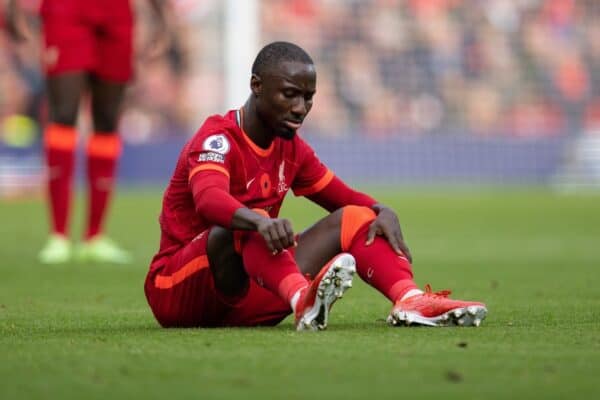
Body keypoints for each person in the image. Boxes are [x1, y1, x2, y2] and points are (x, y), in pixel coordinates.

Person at [144, 41, 487, 330]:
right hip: (178, 290)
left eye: (308, 97)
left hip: (250, 294)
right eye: (290, 95)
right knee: (243, 222)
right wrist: (260, 221)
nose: (300, 109)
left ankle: (410, 300)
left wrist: (382, 209)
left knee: (356, 216)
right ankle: (301, 299)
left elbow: (345, 198)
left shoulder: (291, 147)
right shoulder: (218, 138)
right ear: (257, 86)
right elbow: (209, 200)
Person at [5, 0, 170, 264]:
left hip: (116, 13)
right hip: (67, 10)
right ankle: (58, 235)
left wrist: (160, 13)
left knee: (106, 120)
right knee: (64, 114)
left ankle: (95, 236)